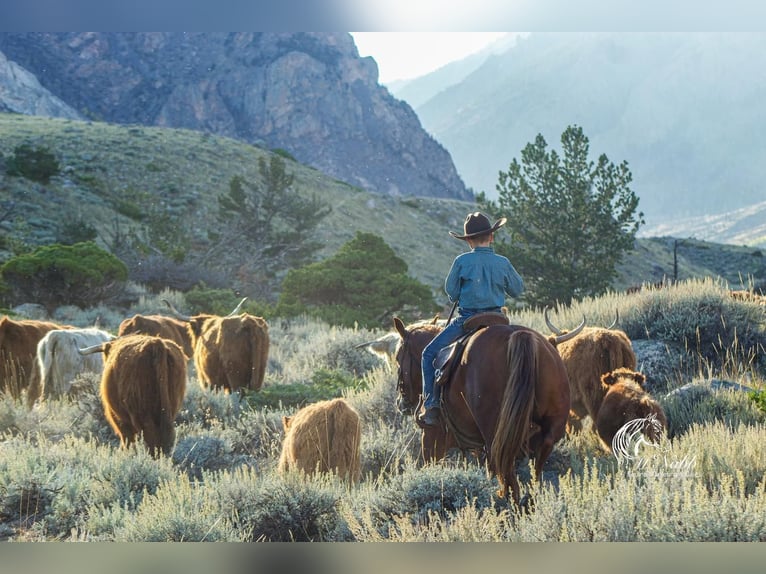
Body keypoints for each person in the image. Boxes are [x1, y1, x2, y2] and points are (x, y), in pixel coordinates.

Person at [418, 211, 524, 427]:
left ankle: (432, 405)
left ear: (468, 241)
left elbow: (452, 292)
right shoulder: (502, 262)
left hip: (468, 320)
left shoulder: (462, 261)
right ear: (491, 236)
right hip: (498, 319)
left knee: (428, 354)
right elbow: (517, 290)